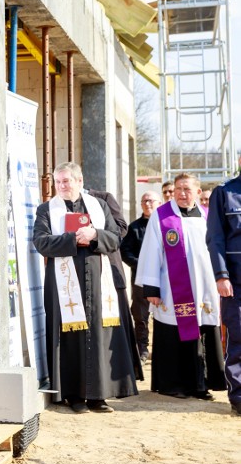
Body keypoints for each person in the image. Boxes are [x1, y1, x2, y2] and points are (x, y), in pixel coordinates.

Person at [33, 162, 139, 414]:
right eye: (58, 182)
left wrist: (94, 235)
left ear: (80, 181)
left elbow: (115, 238)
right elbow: (41, 242)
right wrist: (73, 239)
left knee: (99, 336)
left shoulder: (99, 206)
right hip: (63, 287)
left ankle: (97, 396)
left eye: (67, 181)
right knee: (69, 339)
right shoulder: (47, 209)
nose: (62, 186)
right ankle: (73, 396)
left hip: (98, 280)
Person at [136, 173, 225, 400]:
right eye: (178, 189)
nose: (182, 194)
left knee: (203, 332)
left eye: (187, 189)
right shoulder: (162, 215)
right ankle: (173, 384)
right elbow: (150, 253)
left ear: (197, 192)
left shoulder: (207, 216)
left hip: (205, 289)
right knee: (173, 335)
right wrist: (152, 288)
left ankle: (201, 384)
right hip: (171, 289)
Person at [85, 188, 144, 380]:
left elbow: (121, 228)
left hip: (108, 270)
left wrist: (94, 234)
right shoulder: (57, 205)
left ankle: (119, 375)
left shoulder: (102, 198)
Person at [205, 161, 241, 416]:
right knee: (238, 338)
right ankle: (238, 396)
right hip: (236, 280)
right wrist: (221, 275)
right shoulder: (224, 192)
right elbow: (215, 237)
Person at [121, 191, 161, 362]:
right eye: (144, 201)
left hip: (164, 278)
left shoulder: (165, 223)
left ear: (159, 203)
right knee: (141, 316)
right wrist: (143, 264)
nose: (147, 203)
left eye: (151, 200)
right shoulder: (135, 227)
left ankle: (161, 349)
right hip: (141, 279)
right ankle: (142, 349)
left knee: (164, 316)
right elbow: (125, 251)